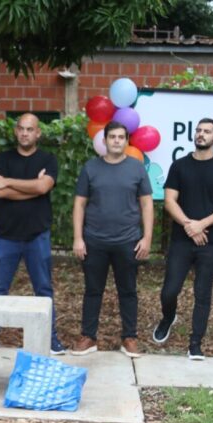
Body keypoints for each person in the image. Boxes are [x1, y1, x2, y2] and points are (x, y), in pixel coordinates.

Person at [152, 118, 213, 360]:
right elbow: (169, 201)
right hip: (181, 240)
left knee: (202, 293)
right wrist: (189, 225)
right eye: (199, 130)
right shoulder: (179, 165)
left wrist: (202, 224)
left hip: (211, 242)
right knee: (169, 291)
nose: (201, 134)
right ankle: (168, 317)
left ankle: (195, 343)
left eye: (207, 131)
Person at [0, 113, 65, 354]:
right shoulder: (3, 159)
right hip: (7, 235)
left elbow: (43, 187)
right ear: (16, 131)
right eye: (21, 129)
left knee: (43, 290)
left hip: (37, 235)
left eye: (30, 129)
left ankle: (50, 339)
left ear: (38, 133)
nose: (25, 133)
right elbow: (1, 192)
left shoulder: (48, 159)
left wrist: (9, 181)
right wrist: (33, 188)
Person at [71, 121, 153, 358]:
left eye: (121, 137)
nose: (117, 141)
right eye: (112, 137)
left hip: (128, 241)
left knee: (128, 291)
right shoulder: (90, 168)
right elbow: (79, 204)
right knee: (92, 290)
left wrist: (147, 238)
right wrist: (78, 238)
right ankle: (88, 337)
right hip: (94, 240)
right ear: (104, 140)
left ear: (126, 141)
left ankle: (129, 338)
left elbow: (147, 204)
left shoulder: (137, 168)